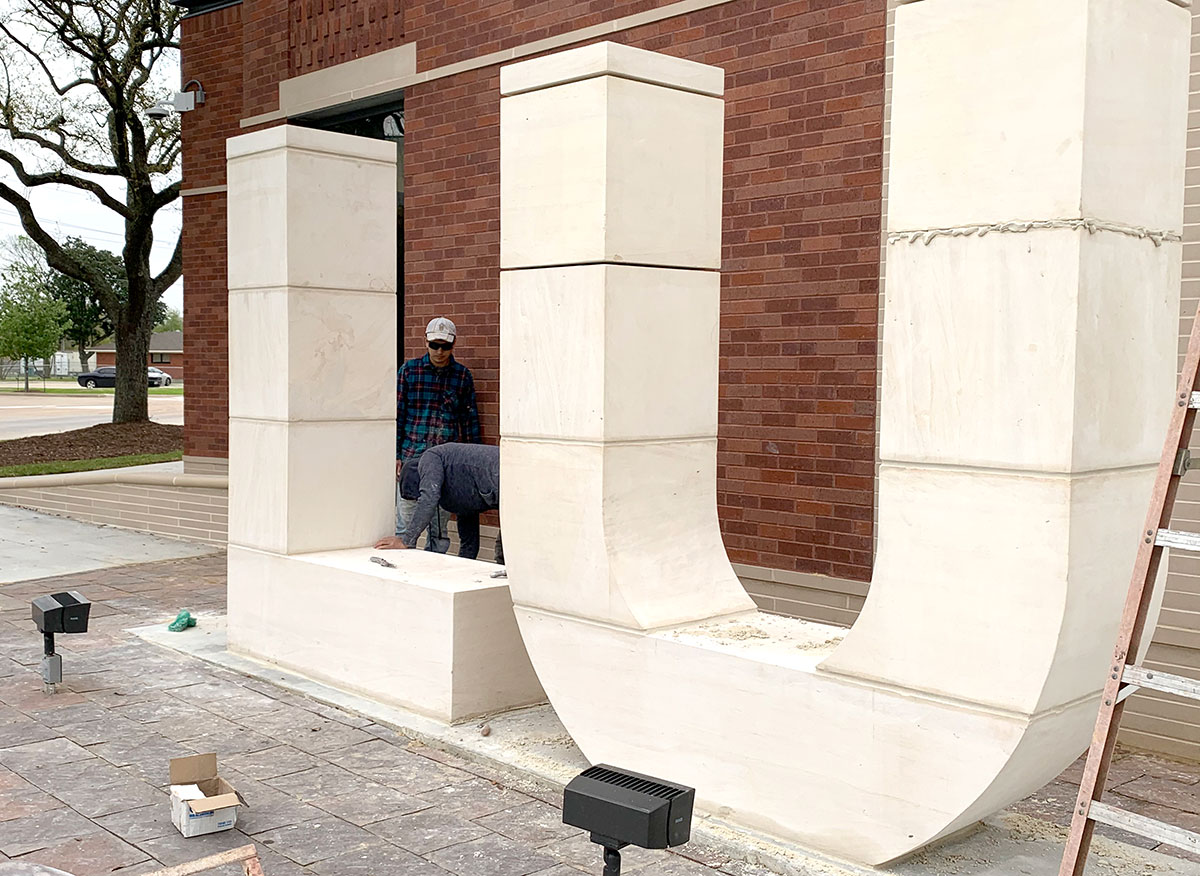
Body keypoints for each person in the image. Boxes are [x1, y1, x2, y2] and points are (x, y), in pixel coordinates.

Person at [395, 317, 482, 552]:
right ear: (426, 342)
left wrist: (474, 461)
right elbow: (398, 415)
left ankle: (434, 575)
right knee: (406, 524)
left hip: (447, 462)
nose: (440, 351)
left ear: (454, 345)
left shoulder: (462, 376)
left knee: (440, 529)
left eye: (445, 346)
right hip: (413, 456)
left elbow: (469, 421)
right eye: (435, 345)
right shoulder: (409, 371)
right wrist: (395, 454)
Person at [375, 443, 503, 563]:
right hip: (504, 480)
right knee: (505, 552)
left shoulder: (430, 458)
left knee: (507, 552)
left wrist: (406, 541)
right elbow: (468, 525)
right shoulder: (458, 481)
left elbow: (429, 497)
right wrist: (464, 566)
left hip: (507, 473)